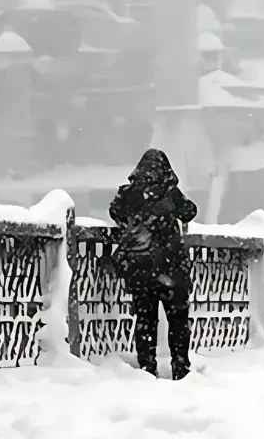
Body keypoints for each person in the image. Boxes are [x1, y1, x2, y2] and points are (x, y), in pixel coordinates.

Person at [109, 148, 199, 379]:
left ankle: (147, 367)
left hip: (141, 270)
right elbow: (189, 212)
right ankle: (180, 366)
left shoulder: (129, 194)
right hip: (171, 269)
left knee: (145, 321)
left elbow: (115, 212)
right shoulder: (170, 193)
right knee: (178, 321)